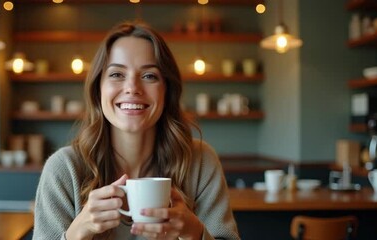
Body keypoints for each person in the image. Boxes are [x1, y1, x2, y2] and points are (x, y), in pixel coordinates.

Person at [33, 21, 240, 240]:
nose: (132, 88)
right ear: (98, 89)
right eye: (116, 74)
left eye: (149, 76)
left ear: (167, 91)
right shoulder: (64, 170)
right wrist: (76, 233)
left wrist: (195, 233)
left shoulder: (200, 162)